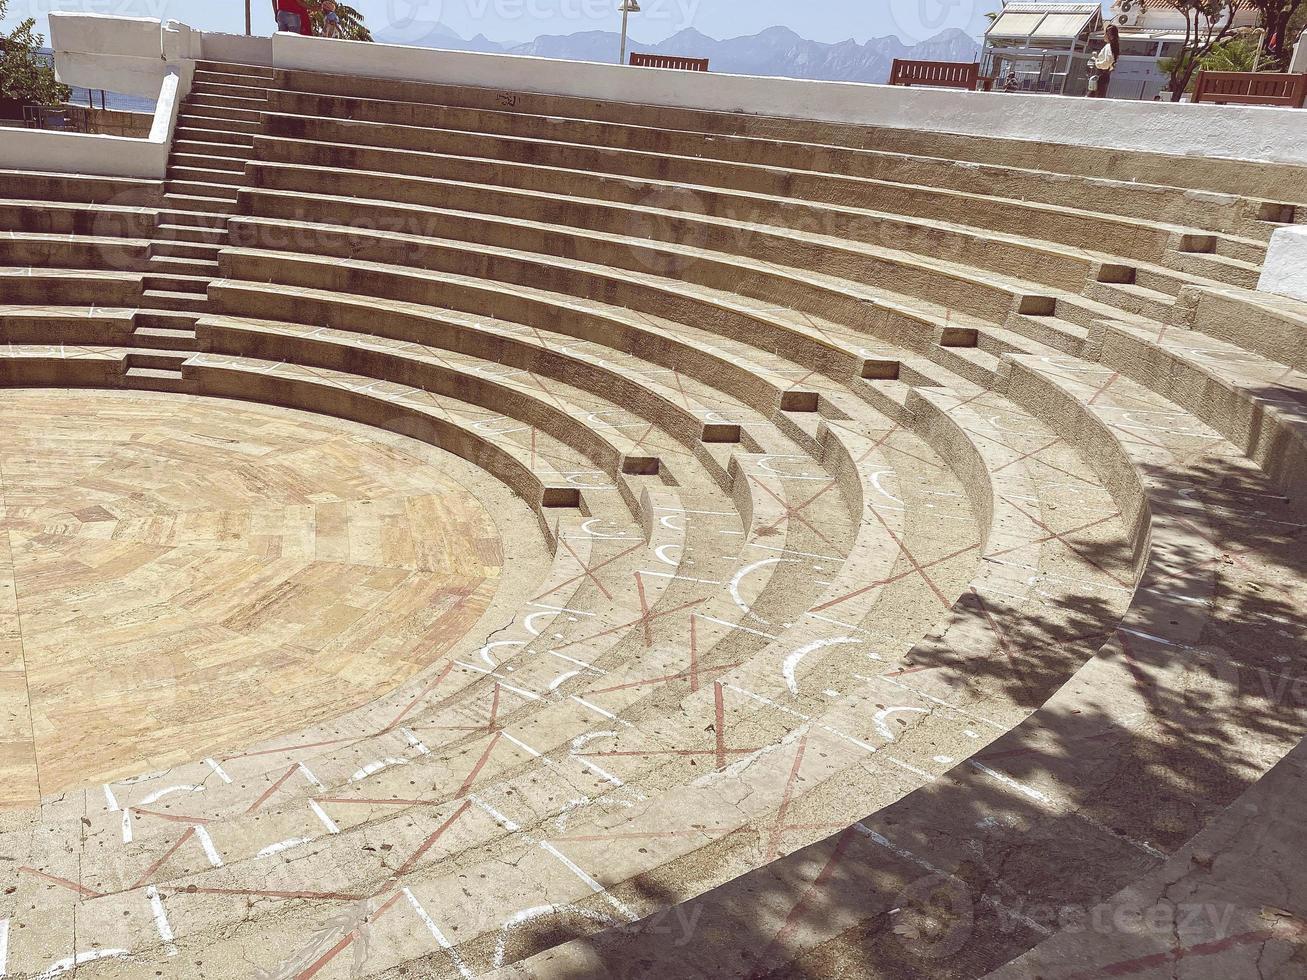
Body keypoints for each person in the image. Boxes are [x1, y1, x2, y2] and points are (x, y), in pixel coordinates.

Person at [1087, 25, 1120, 98]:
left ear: (1110, 36)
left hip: (1101, 75)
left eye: (1105, 33)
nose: (1104, 36)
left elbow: (1107, 62)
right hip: (1104, 75)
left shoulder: (1109, 46)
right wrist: (1097, 57)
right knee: (1097, 96)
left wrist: (1097, 62)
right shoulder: (1113, 46)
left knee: (1094, 96)